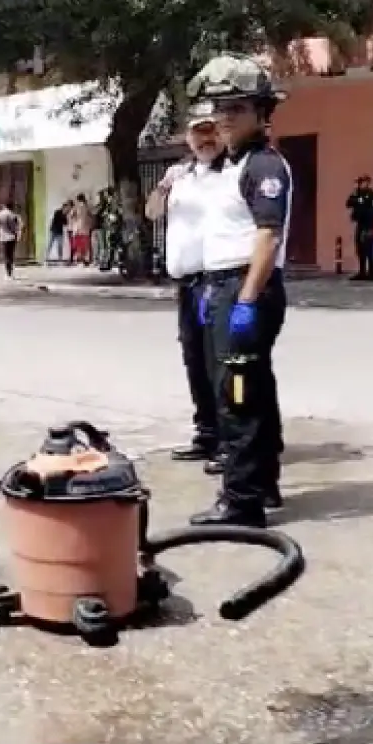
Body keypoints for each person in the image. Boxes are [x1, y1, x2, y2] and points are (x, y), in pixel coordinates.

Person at [185, 53, 290, 528]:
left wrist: (245, 301)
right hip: (224, 286)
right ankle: (263, 485)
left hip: (247, 288)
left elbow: (268, 237)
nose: (225, 117)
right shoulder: (232, 164)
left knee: (239, 395)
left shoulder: (264, 165)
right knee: (255, 390)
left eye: (237, 108)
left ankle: (241, 502)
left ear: (262, 113)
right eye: (220, 108)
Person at [145, 102, 224, 469]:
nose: (205, 139)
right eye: (198, 132)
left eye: (211, 130)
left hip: (215, 279)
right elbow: (152, 213)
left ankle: (227, 438)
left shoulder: (231, 172)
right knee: (193, 357)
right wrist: (163, 187)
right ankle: (205, 433)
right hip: (186, 282)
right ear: (187, 137)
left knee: (216, 360)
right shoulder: (179, 174)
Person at [346, 175, 373, 281]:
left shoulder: (372, 194)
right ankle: (362, 272)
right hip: (360, 224)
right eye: (360, 183)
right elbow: (348, 203)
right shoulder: (357, 194)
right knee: (360, 249)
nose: (362, 184)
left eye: (364, 182)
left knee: (369, 249)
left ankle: (371, 273)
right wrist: (357, 196)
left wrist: (362, 203)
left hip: (369, 225)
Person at [0, 199, 22, 279]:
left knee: (6, 256)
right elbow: (17, 227)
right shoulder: (13, 215)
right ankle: (11, 273)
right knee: (11, 255)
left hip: (3, 238)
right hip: (12, 237)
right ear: (11, 207)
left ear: (4, 206)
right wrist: (16, 235)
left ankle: (8, 274)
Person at [74, 193, 94, 265]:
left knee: (82, 244)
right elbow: (91, 215)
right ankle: (86, 259)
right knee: (86, 244)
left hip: (81, 227)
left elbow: (75, 217)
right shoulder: (87, 206)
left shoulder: (79, 207)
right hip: (86, 227)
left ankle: (83, 258)